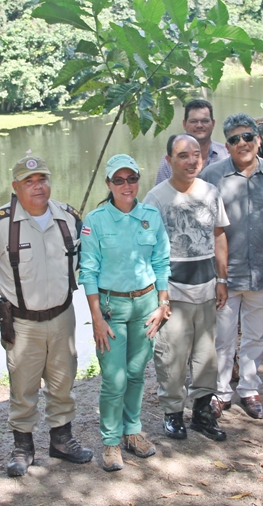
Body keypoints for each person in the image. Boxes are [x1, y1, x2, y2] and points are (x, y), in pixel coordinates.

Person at [0, 153, 92, 477]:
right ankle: (23, 448)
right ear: (15, 186)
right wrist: (9, 293)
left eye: (42, 180)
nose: (37, 187)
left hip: (63, 316)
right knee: (22, 386)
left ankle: (62, 440)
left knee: (63, 381)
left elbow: (82, 260)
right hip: (23, 323)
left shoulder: (68, 217)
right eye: (29, 181)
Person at [79, 154, 171, 472]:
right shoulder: (95, 221)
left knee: (135, 374)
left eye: (131, 178)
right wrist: (97, 319)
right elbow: (88, 272)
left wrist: (163, 304)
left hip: (146, 306)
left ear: (138, 181)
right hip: (110, 308)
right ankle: (110, 442)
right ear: (108, 184)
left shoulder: (150, 216)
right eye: (118, 180)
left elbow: (161, 261)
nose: (126, 185)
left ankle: (132, 432)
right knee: (114, 379)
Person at [144, 134, 230, 442]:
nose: (191, 160)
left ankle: (203, 413)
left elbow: (219, 236)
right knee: (171, 357)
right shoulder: (155, 198)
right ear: (169, 161)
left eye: (196, 154)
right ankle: (173, 414)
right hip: (172, 291)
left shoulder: (210, 192)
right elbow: (146, 249)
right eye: (183, 155)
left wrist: (222, 279)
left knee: (207, 357)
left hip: (206, 287)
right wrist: (157, 295)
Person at [199, 114, 263, 421]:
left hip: (262, 271)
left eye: (248, 137)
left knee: (254, 335)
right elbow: (204, 228)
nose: (242, 143)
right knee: (222, 336)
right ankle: (221, 391)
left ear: (258, 139)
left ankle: (249, 388)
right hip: (224, 273)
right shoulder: (211, 176)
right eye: (234, 139)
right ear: (227, 145)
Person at [154, 99, 226, 185]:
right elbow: (160, 193)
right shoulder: (170, 160)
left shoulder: (226, 155)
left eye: (204, 121)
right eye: (194, 121)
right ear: (184, 124)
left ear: (213, 123)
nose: (199, 125)